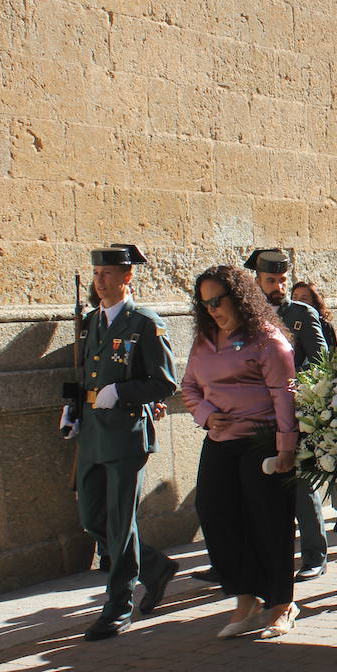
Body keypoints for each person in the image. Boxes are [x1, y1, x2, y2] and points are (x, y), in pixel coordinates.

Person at [60, 244, 178, 641]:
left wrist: (121, 392)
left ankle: (118, 605)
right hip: (93, 432)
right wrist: (72, 408)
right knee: (92, 519)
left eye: (107, 274)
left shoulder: (144, 322)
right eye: (96, 274)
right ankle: (155, 567)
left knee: (119, 522)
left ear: (127, 277)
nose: (100, 281)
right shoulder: (93, 320)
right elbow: (84, 370)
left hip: (126, 434)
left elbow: (165, 382)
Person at [181, 266, 300, 639]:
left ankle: (281, 603)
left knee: (267, 521)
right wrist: (205, 415)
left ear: (240, 297)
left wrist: (285, 450)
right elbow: (188, 387)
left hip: (261, 442)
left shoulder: (267, 341)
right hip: (219, 441)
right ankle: (245, 598)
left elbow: (285, 397)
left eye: (219, 300)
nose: (213, 309)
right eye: (206, 304)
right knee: (215, 514)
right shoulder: (204, 341)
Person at [245, 248, 329, 582]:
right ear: (257, 281)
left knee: (300, 485)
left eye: (282, 279)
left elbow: (320, 359)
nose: (278, 286)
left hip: (293, 410)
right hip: (257, 412)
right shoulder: (247, 315)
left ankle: (314, 555)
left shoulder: (302, 313)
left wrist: (291, 385)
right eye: (270, 280)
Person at [291, 281, 337, 352]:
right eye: (295, 298)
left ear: (314, 303)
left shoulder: (324, 326)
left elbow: (332, 357)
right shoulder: (286, 323)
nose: (298, 302)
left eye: (304, 299)